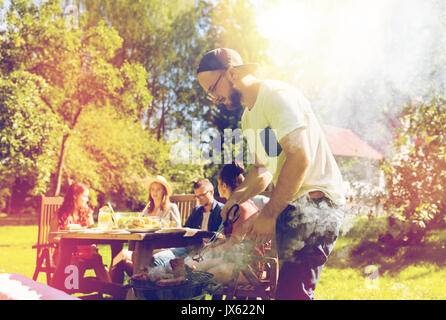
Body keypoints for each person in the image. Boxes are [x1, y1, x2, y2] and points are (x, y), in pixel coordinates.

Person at [196, 48, 345, 300]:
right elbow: (263, 169)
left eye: (213, 88)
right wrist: (237, 197)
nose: (214, 98)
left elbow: (299, 157)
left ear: (231, 73)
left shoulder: (276, 96)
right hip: (292, 205)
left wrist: (269, 212)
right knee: (289, 293)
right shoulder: (249, 116)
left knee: (292, 295)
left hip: (317, 204)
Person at [185, 162, 258, 283]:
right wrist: (212, 247)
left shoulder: (241, 207)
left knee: (197, 274)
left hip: (246, 270)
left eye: (218, 184)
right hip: (239, 263)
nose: (218, 187)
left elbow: (233, 246)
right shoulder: (242, 204)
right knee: (192, 266)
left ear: (223, 185)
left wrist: (211, 251)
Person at [110, 176, 180, 283]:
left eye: (158, 189)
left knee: (122, 257)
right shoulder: (147, 210)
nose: (155, 192)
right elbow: (138, 229)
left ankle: (113, 289)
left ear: (164, 192)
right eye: (152, 189)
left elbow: (177, 232)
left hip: (162, 248)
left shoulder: (171, 208)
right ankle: (114, 290)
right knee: (119, 257)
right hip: (144, 248)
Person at [150, 178, 224, 268]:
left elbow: (223, 237)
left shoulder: (221, 210)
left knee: (169, 266)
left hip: (208, 252)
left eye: (202, 195)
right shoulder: (197, 210)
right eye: (197, 196)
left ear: (211, 192)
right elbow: (185, 231)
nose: (199, 199)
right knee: (156, 259)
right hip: (189, 249)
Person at [52, 182, 111, 283]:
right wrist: (67, 241)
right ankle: (70, 290)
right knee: (76, 262)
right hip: (64, 254)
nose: (87, 200)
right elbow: (51, 237)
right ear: (75, 196)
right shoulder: (61, 214)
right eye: (84, 196)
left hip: (85, 252)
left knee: (97, 258)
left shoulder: (86, 213)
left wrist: (93, 245)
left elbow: (93, 233)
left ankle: (111, 292)